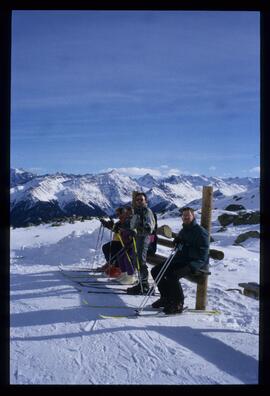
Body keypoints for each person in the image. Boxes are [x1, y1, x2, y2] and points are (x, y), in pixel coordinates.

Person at [150, 207, 209, 314]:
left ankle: (178, 303)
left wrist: (185, 245)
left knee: (173, 275)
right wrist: (177, 242)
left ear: (193, 216)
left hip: (194, 263)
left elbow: (203, 254)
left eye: (188, 215)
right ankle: (166, 297)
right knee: (156, 270)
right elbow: (181, 245)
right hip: (180, 260)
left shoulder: (200, 232)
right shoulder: (184, 230)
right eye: (184, 215)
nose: (186, 217)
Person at [126, 192, 156, 295]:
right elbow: (132, 224)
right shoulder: (137, 211)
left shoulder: (147, 212)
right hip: (136, 239)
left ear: (145, 201)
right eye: (137, 200)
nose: (139, 201)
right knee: (136, 260)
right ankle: (140, 283)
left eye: (141, 200)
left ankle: (145, 285)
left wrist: (137, 230)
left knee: (140, 261)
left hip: (143, 239)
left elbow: (149, 228)